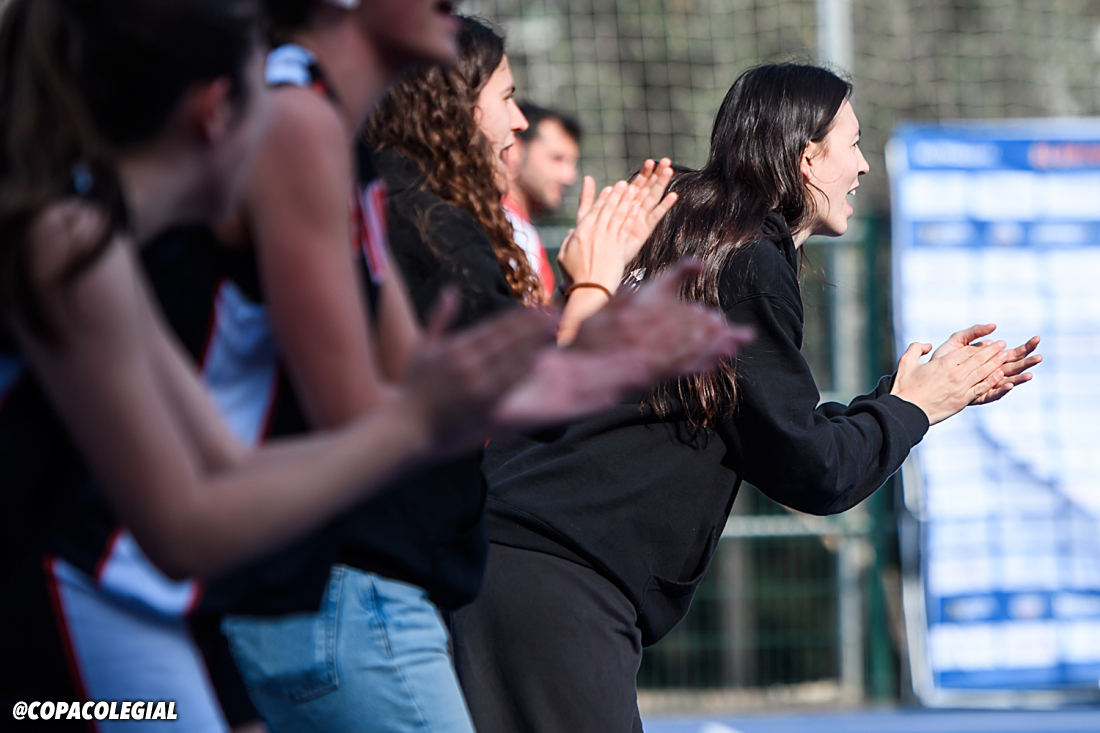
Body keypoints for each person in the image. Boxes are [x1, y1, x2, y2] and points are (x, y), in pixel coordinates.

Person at [0, 0, 730, 720]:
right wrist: (422, 417)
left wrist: (563, 354)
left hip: (175, 602)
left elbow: (232, 471)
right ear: (215, 112)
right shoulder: (73, 240)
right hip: (91, 603)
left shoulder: (104, 238)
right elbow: (186, 520)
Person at [448, 63, 1044, 733]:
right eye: (853, 143)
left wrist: (900, 398)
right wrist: (915, 409)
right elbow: (813, 469)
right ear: (806, 157)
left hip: (492, 554)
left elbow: (773, 432)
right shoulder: (749, 261)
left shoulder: (691, 235)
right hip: (560, 577)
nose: (864, 166)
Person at [501, 103, 583, 300]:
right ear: (514, 150)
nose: (569, 176)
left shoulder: (518, 226)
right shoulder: (504, 226)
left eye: (572, 163)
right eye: (558, 159)